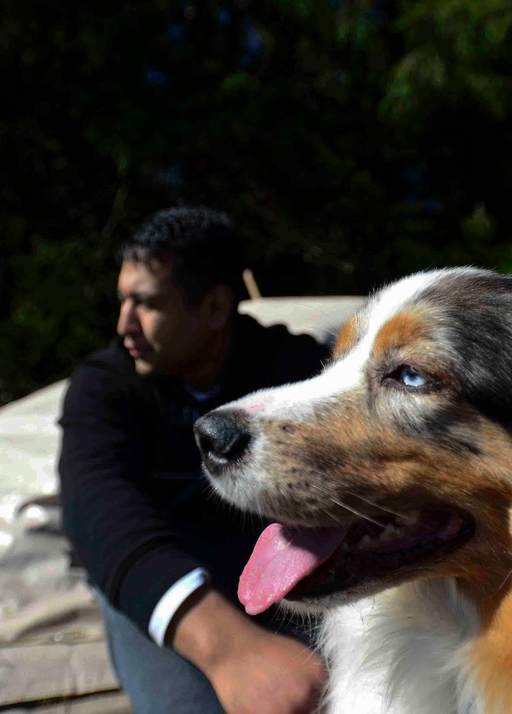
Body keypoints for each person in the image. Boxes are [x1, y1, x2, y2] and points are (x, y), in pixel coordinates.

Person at [57, 207, 331, 714]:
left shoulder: (289, 368)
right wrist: (231, 652)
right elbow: (100, 517)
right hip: (165, 580)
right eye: (123, 301)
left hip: (282, 560)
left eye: (146, 304)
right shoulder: (106, 390)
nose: (123, 324)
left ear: (214, 308)